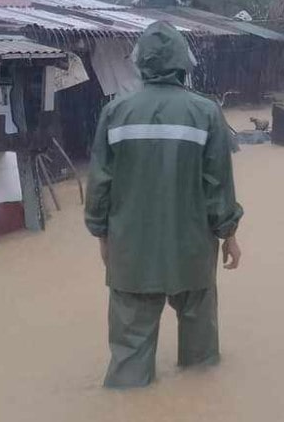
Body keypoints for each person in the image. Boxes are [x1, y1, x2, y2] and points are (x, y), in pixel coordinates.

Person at [85, 22, 244, 389]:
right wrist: (229, 235)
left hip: (131, 252)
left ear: (140, 62)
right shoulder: (206, 112)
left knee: (129, 356)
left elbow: (100, 185)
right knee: (201, 355)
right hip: (192, 248)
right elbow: (218, 186)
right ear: (182, 63)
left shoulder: (115, 113)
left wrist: (102, 236)